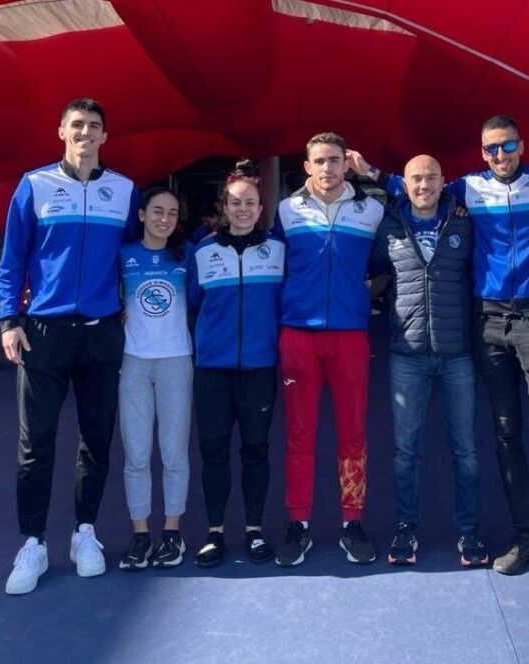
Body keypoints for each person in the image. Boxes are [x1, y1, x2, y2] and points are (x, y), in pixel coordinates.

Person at [351, 115, 529, 574]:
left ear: (522, 144)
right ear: (481, 153)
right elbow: (411, 187)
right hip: (476, 328)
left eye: (508, 145)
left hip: (524, 325)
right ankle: (507, 531)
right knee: (493, 434)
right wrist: (373, 173)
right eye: (492, 148)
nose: (501, 154)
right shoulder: (466, 191)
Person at [0, 98, 139, 595]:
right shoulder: (33, 185)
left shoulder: (122, 191)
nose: (85, 132)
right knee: (35, 445)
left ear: (105, 136)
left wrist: (131, 301)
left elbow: (135, 253)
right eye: (77, 125)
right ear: (61, 131)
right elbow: (12, 257)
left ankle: (85, 533)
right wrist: (9, 318)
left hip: (101, 333)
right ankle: (32, 542)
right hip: (44, 334)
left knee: (96, 441)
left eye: (94, 126)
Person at [368, 154, 488, 568]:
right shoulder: (389, 226)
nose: (424, 185)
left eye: (431, 177)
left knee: (466, 450)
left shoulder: (463, 221)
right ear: (406, 183)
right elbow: (363, 269)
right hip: (407, 355)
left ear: (443, 181)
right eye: (416, 178)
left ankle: (469, 531)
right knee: (405, 451)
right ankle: (405, 528)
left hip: (457, 355)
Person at [274, 132, 384, 567]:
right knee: (300, 434)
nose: (327, 169)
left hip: (350, 336)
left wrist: (375, 174)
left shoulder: (371, 209)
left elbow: (386, 259)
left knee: (353, 434)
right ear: (306, 166)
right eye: (319, 161)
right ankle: (297, 525)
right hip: (298, 336)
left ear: (347, 163)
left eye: (335, 160)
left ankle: (351, 523)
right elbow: (273, 266)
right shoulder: (286, 210)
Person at [188, 162, 285, 567]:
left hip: (260, 369)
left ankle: (254, 530)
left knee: (256, 450)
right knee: (213, 451)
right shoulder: (203, 251)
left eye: (250, 202)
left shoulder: (279, 251)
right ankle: (214, 532)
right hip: (212, 370)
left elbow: (286, 304)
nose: (242, 208)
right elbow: (191, 305)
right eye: (234, 202)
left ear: (262, 207)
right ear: (223, 207)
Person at [115, 187, 193, 571]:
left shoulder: (187, 255)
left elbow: (200, 300)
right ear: (142, 215)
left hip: (176, 361)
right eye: (158, 211)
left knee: (174, 453)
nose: (165, 219)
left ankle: (172, 532)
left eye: (173, 214)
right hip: (133, 363)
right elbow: (106, 297)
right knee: (136, 454)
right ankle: (141, 535)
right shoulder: (123, 255)